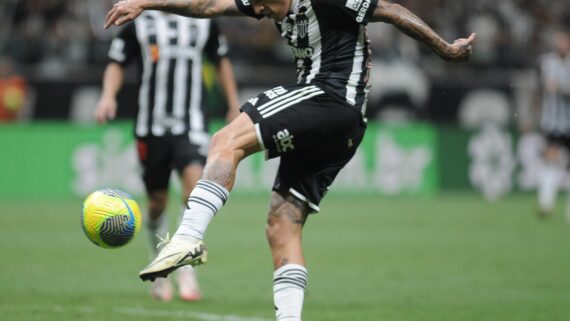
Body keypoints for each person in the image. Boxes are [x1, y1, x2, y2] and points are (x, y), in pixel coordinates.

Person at [105, 0, 475, 319]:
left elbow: (390, 10)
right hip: (344, 126)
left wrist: (445, 47)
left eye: (263, 4)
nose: (260, 10)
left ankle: (187, 236)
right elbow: (208, 6)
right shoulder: (265, 2)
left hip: (329, 96)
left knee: (225, 140)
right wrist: (146, 3)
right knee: (282, 222)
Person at [95, 11, 240, 302]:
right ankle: (159, 261)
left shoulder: (203, 20)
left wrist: (233, 103)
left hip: (192, 123)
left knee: (193, 190)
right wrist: (108, 95)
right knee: (157, 203)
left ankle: (185, 266)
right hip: (151, 126)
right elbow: (117, 62)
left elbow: (221, 60)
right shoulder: (140, 22)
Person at [536, 29, 570, 218]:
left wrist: (562, 89)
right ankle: (545, 204)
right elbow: (538, 89)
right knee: (551, 161)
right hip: (552, 122)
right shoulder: (546, 62)